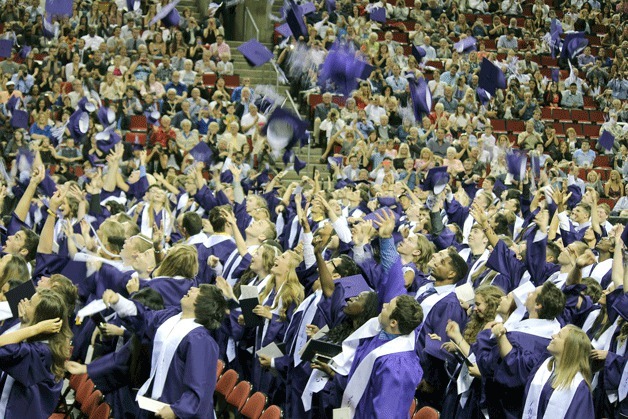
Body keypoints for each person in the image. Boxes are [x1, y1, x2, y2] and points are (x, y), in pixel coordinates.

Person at [102, 284, 227, 418]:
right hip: (157, 403)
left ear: (204, 304)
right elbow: (143, 319)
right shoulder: (170, 318)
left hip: (177, 411)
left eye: (199, 291)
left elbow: (200, 388)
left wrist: (177, 410)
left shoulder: (201, 341)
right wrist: (118, 302)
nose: (192, 288)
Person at [522, 325, 595, 418]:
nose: (553, 336)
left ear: (569, 347)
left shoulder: (578, 388)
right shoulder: (543, 368)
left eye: (559, 335)